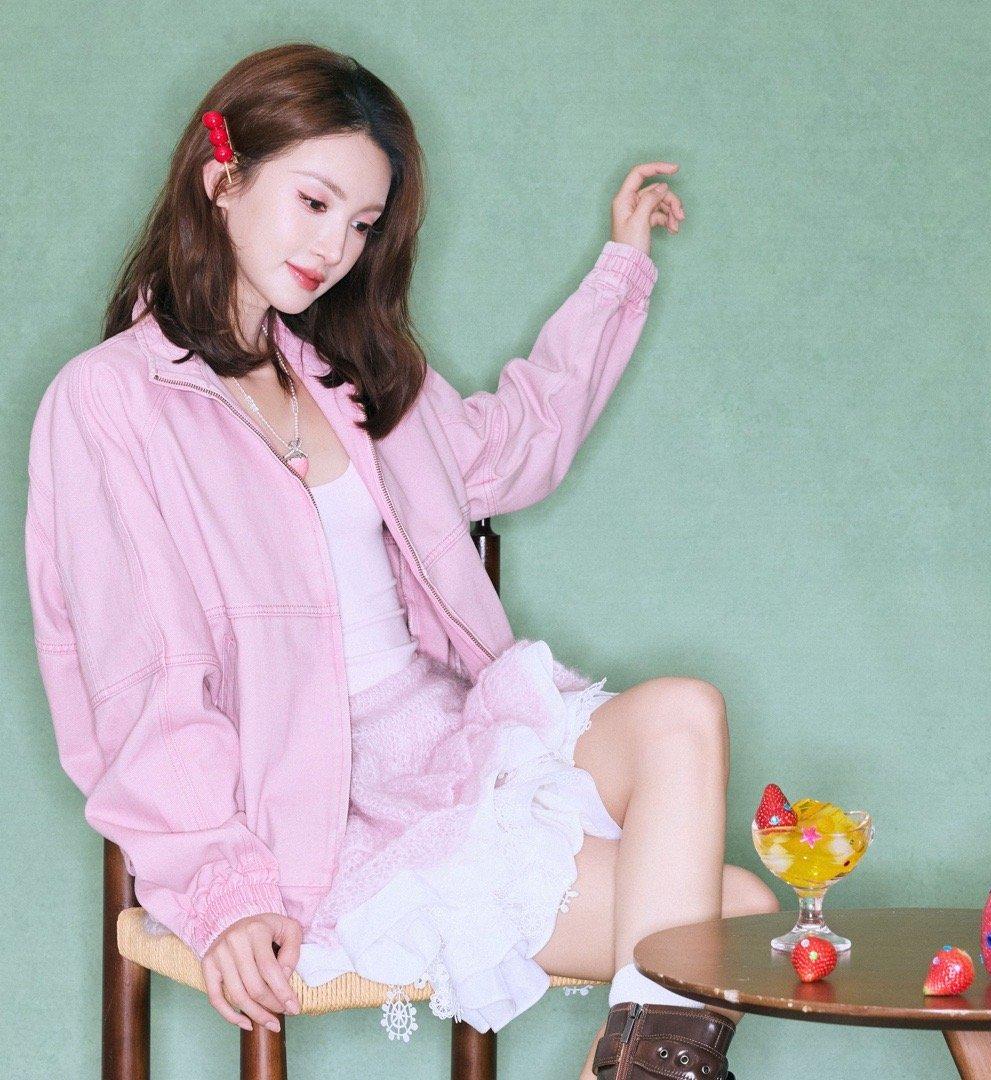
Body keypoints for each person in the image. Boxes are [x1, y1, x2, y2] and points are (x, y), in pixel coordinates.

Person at [24, 43, 777, 1079]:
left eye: (362, 224)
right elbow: (143, 682)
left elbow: (514, 447)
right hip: (313, 806)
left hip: (444, 743)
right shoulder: (111, 401)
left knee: (687, 722)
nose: (333, 247)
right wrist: (221, 888)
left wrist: (619, 271)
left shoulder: (347, 377)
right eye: (314, 202)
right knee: (726, 917)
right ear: (222, 178)